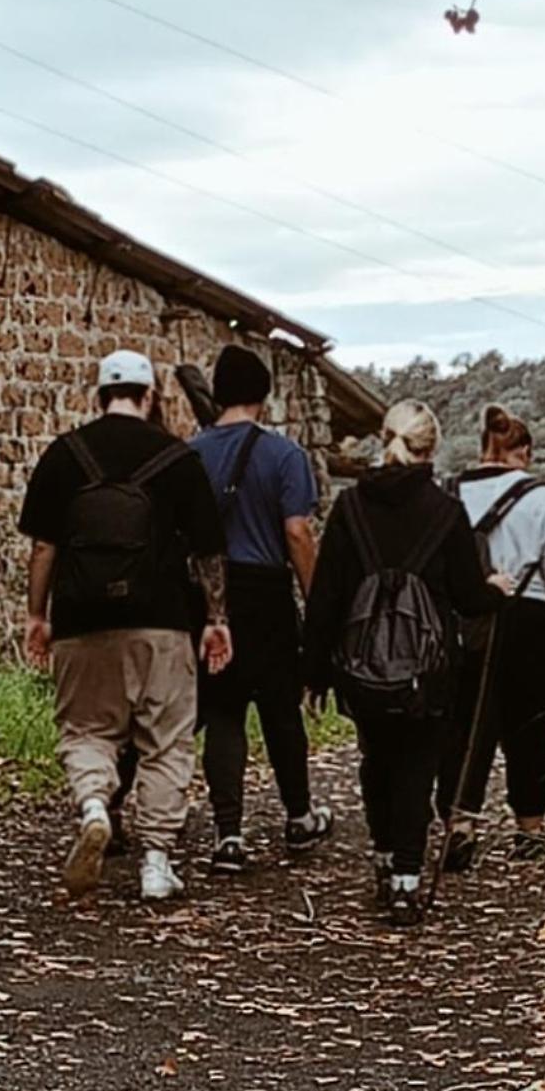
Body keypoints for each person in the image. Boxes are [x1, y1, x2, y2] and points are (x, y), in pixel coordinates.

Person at [21, 350, 231, 902]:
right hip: (161, 622)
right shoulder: (179, 459)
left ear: (98, 397)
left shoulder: (64, 456)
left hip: (80, 622)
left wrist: (37, 616)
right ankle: (156, 863)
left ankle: (94, 804)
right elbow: (208, 552)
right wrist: (216, 619)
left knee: (86, 730)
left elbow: (44, 546)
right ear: (150, 395)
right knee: (165, 739)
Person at [302, 398, 510, 926]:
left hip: (362, 665)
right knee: (419, 765)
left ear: (383, 439)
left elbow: (326, 596)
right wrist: (497, 590)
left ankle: (381, 855)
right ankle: (407, 881)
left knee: (377, 760)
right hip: (429, 669)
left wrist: (316, 671)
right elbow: (466, 596)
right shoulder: (445, 512)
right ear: (431, 450)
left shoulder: (350, 509)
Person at [437, 404, 545, 871]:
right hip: (530, 621)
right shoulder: (543, 500)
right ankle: (529, 828)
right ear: (523, 452)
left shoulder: (449, 494)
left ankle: (460, 821)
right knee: (530, 725)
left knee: (464, 724)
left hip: (466, 619)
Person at [190, 345, 333, 873]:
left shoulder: (192, 453)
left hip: (213, 594)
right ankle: (298, 816)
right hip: (267, 591)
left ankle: (228, 834)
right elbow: (297, 531)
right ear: (263, 396)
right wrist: (317, 600)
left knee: (224, 709)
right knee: (279, 708)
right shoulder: (284, 456)